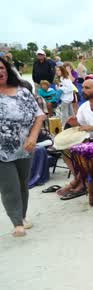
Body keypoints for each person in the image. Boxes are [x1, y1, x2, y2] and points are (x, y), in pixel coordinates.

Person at [0, 56, 46, 237]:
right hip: (1, 150)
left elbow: (39, 115)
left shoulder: (22, 92)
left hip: (24, 147)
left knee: (22, 184)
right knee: (8, 185)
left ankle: (22, 216)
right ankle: (17, 223)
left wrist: (33, 137)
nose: (0, 72)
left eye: (2, 68)